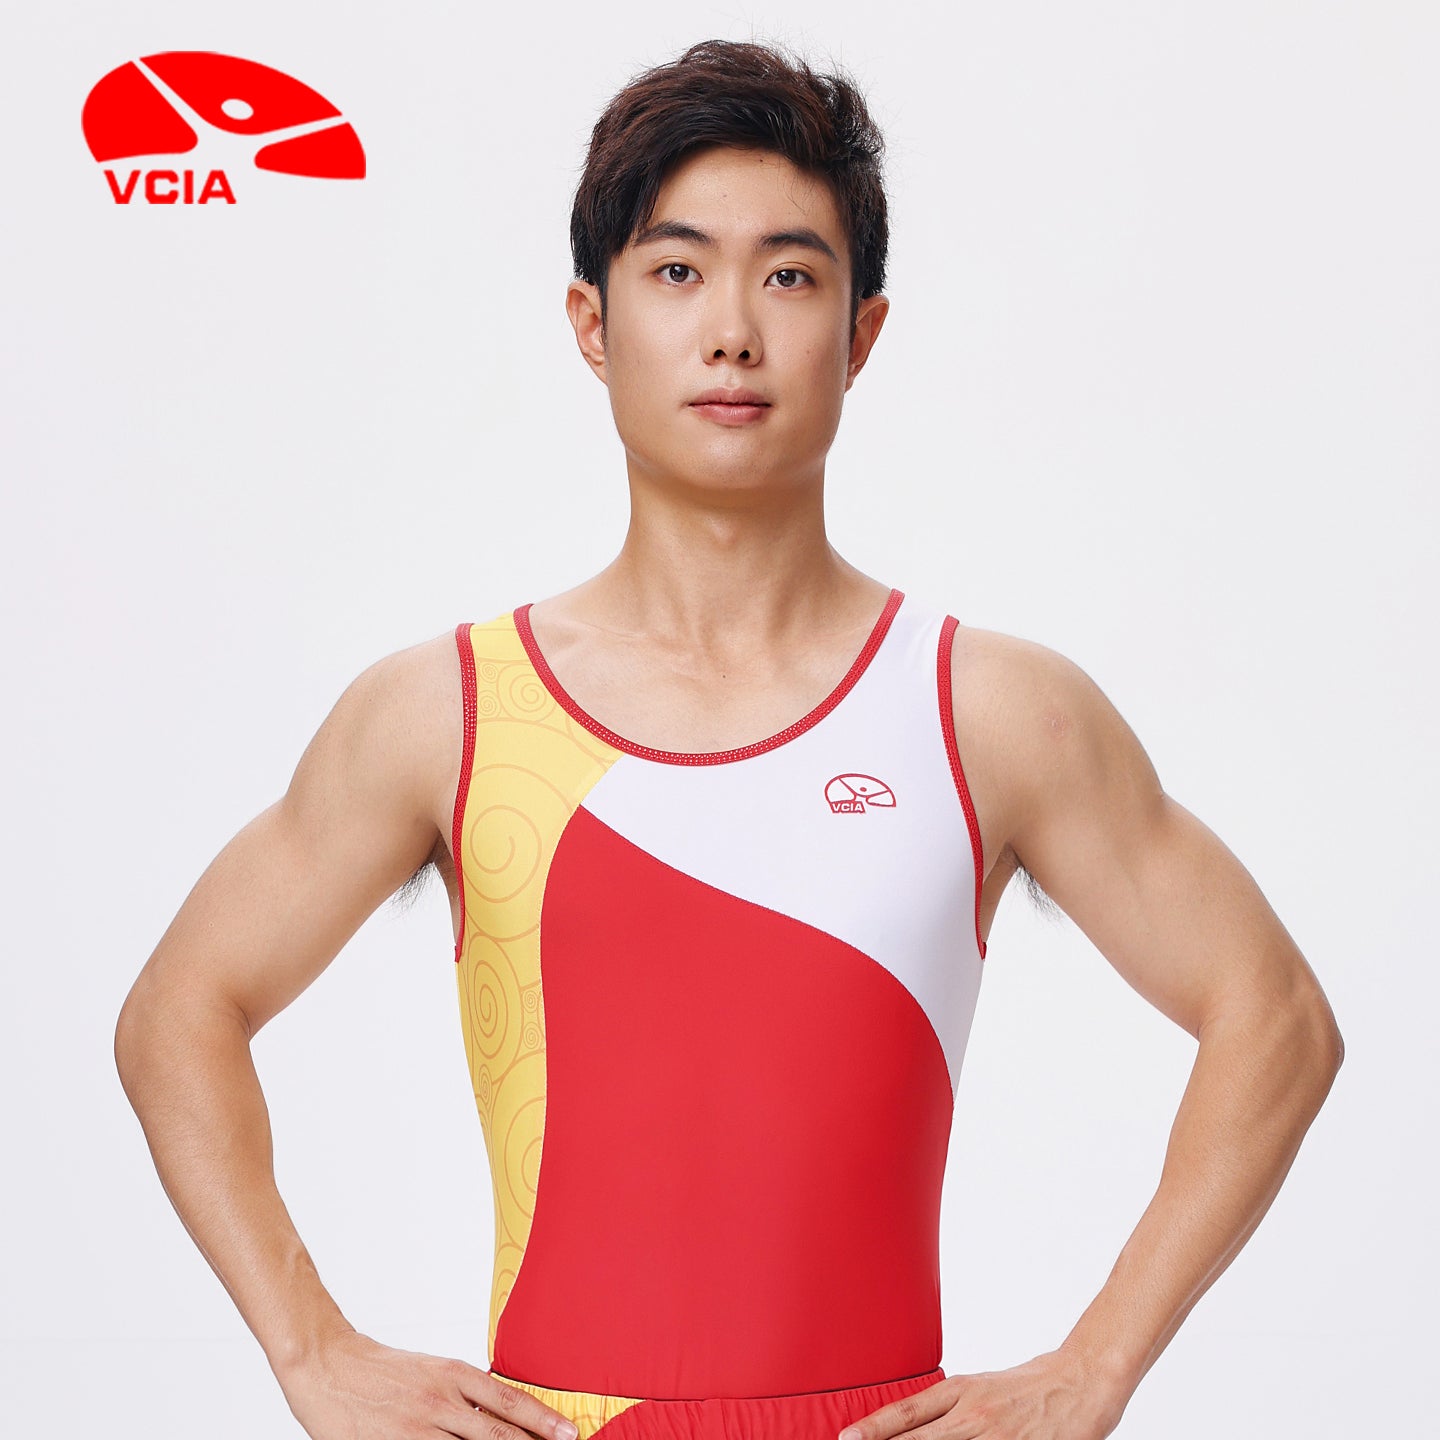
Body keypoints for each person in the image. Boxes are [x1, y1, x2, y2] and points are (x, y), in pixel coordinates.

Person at [115, 36, 1345, 1440]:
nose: (734, 332)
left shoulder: (990, 710)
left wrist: (1094, 1369)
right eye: (678, 270)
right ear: (593, 324)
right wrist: (311, 1350)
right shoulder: (447, 712)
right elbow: (178, 1013)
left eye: (792, 276)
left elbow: (1278, 1019)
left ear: (862, 334)